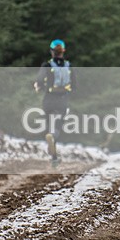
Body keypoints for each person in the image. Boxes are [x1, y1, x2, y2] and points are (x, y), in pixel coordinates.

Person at [34, 39, 74, 168]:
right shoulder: (68, 66)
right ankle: (53, 143)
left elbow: (39, 80)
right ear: (63, 51)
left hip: (48, 99)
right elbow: (75, 84)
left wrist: (38, 86)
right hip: (62, 100)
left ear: (51, 51)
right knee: (57, 127)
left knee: (48, 125)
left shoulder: (47, 65)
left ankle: (54, 157)